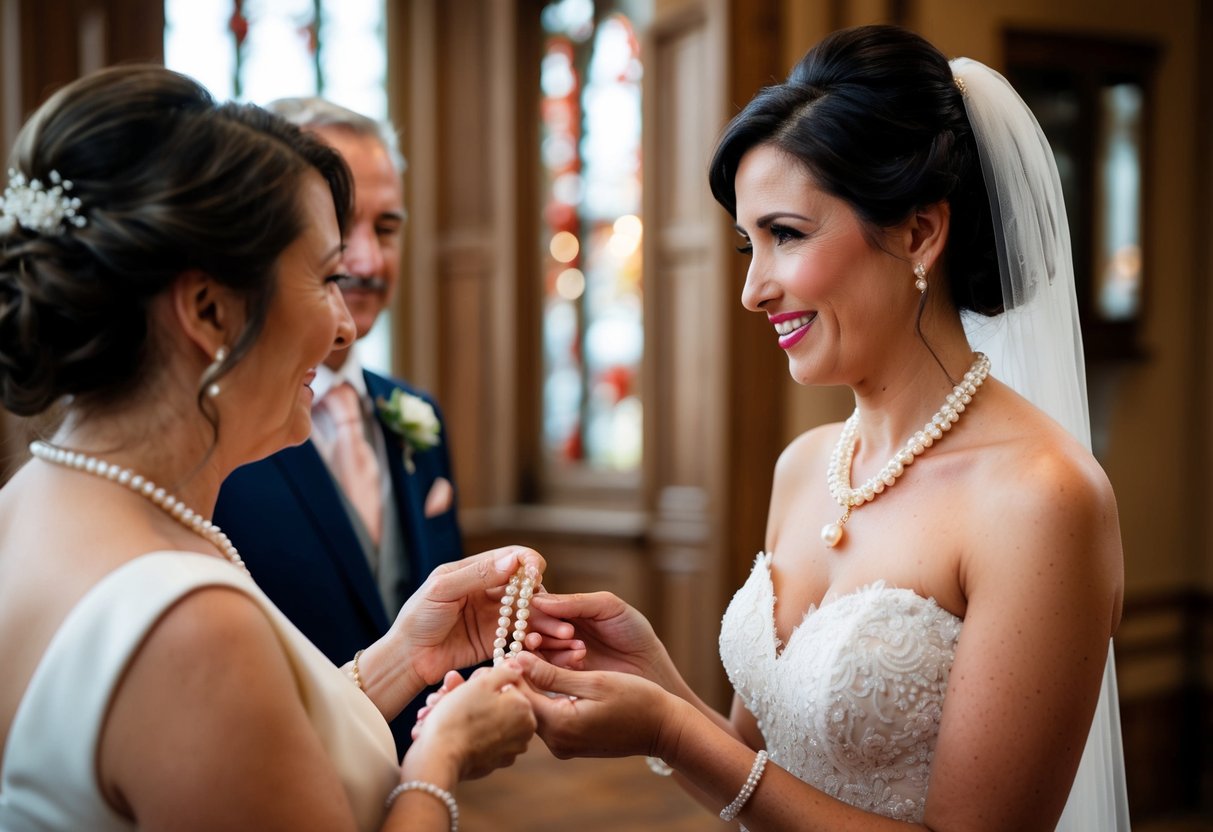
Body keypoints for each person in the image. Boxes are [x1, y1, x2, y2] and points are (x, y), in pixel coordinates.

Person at [501, 24, 1130, 831]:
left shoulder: (1042, 500)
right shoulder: (805, 467)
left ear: (918, 233)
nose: (753, 291)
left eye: (786, 236)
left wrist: (667, 729)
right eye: (745, 246)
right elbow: (761, 775)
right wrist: (657, 687)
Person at [0, 65, 557, 831]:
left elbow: (247, 743)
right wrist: (439, 762)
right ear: (208, 310)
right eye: (325, 275)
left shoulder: (29, 504)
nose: (344, 326)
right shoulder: (190, 629)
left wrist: (402, 658)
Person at [212, 97, 463, 757]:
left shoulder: (417, 416)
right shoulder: (212, 433)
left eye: (386, 228)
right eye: (341, 227)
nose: (370, 262)